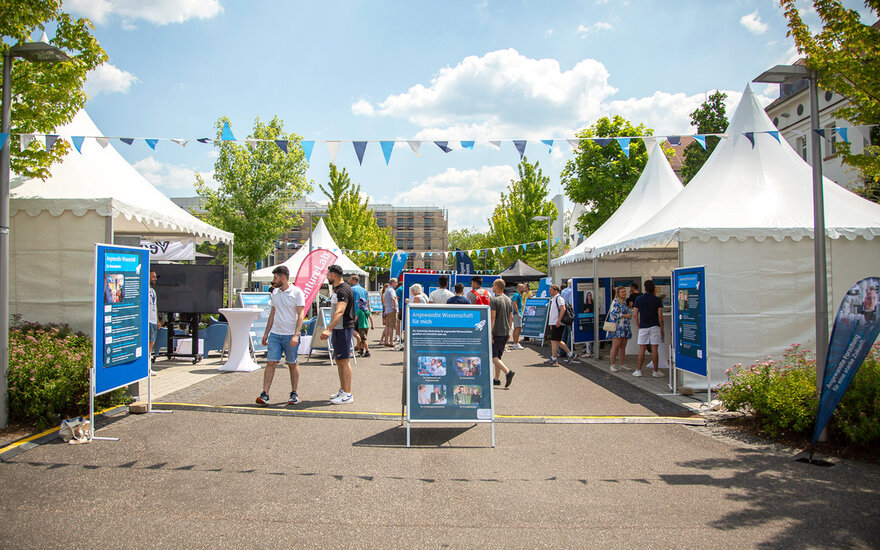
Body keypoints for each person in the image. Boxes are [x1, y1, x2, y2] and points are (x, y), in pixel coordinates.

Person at [257, 265, 305, 406]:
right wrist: (266, 333)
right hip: (276, 334)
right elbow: (272, 313)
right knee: (271, 362)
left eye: (275, 278)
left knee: (292, 363)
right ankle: (265, 393)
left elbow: (301, 314)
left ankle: (294, 392)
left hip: (290, 334)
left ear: (283, 278)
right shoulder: (275, 293)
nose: (274, 281)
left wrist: (296, 334)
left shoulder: (297, 292)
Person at [321, 264, 357, 404]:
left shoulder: (343, 290)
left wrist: (328, 329)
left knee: (344, 361)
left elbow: (340, 311)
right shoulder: (338, 289)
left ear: (334, 276)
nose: (327, 277)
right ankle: (343, 389)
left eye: (328, 274)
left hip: (343, 329)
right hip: (339, 329)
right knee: (339, 360)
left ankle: (348, 394)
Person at [632, 280, 664, 378]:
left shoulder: (639, 299)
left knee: (642, 348)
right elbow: (660, 316)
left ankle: (638, 370)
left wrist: (638, 325)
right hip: (655, 326)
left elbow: (635, 315)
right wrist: (662, 328)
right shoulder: (657, 300)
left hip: (643, 326)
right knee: (654, 348)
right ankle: (655, 371)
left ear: (644, 287)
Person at [489, 279, 515, 387]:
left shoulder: (494, 300)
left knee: (493, 356)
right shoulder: (508, 300)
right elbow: (511, 317)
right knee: (498, 356)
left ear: (497, 287)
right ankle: (497, 378)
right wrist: (509, 331)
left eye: (493, 285)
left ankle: (508, 372)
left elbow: (493, 316)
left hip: (497, 332)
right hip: (505, 331)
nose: (492, 287)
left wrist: (490, 332)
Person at [544, 284, 576, 366]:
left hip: (558, 323)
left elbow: (563, 309)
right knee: (556, 340)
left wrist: (558, 320)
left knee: (555, 340)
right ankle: (569, 354)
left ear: (555, 290)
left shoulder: (559, 298)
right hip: (554, 323)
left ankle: (554, 358)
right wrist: (551, 323)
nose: (549, 291)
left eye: (551, 290)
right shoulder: (554, 299)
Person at [606, 286, 633, 372]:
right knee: (616, 346)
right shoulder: (615, 302)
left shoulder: (624, 302)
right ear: (618, 293)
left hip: (625, 326)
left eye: (624, 292)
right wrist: (625, 315)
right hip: (618, 327)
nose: (624, 293)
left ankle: (622, 364)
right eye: (622, 292)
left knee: (623, 346)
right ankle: (612, 364)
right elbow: (613, 314)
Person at [349, 274, 369, 351]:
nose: (350, 282)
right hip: (364, 312)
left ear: (354, 280)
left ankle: (359, 340)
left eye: (350, 280)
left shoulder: (352, 289)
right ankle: (361, 347)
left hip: (354, 313)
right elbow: (366, 301)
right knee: (362, 330)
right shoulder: (364, 290)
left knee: (351, 328)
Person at [148, 269, 159, 376]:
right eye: (153, 277)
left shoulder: (153, 291)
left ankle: (148, 366)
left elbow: (155, 306)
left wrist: (157, 320)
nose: (155, 278)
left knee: (152, 342)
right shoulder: (144, 291)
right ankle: (147, 366)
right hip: (148, 321)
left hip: (153, 320)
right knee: (149, 343)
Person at [381, 279, 398, 346]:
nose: (396, 284)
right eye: (396, 283)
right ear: (393, 283)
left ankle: (386, 341)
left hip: (387, 309)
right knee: (391, 326)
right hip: (391, 310)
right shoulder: (391, 290)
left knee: (387, 326)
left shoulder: (387, 289)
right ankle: (391, 341)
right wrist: (394, 306)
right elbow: (393, 298)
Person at [510, 283, 524, 350]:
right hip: (517, 313)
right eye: (523, 287)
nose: (524, 289)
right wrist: (518, 313)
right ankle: (516, 343)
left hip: (517, 313)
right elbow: (514, 303)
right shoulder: (516, 295)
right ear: (519, 288)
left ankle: (516, 343)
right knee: (517, 328)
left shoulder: (518, 295)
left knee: (518, 328)